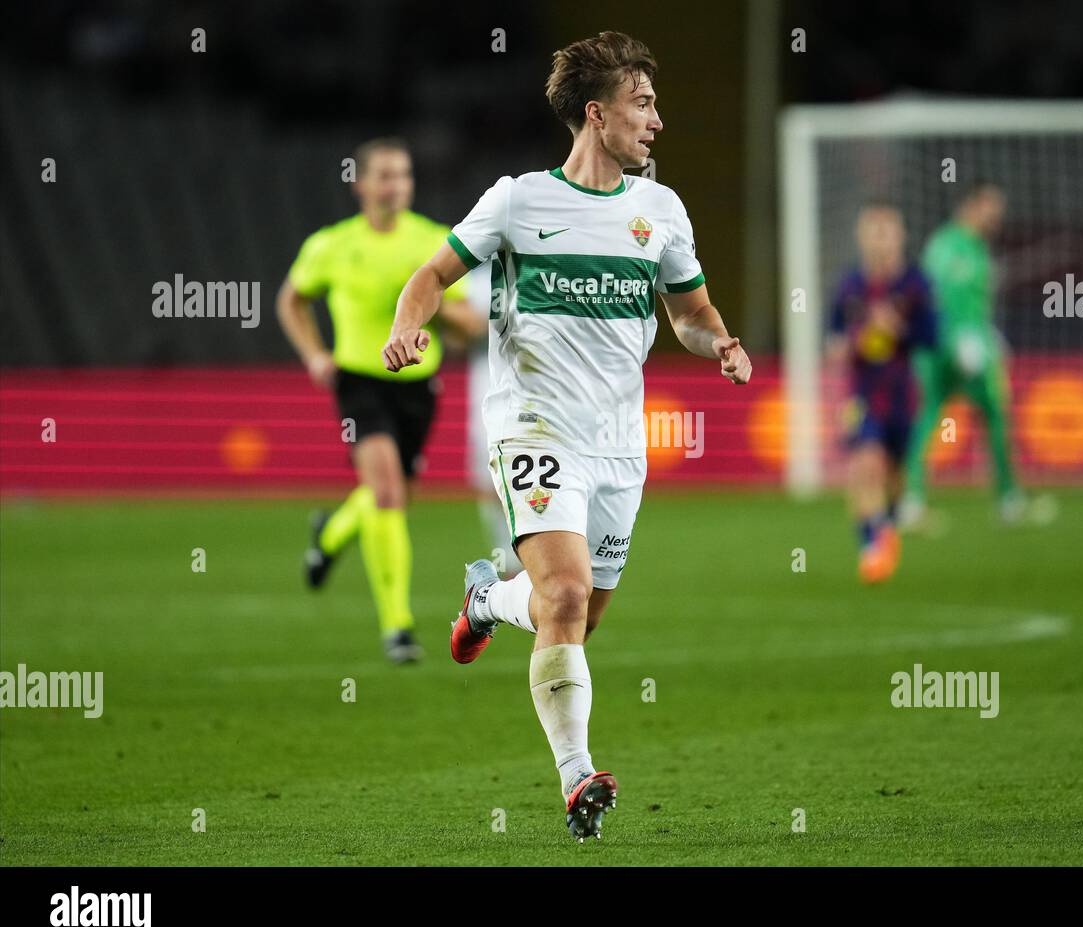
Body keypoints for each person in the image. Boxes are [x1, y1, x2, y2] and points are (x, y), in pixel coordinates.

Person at [382, 32, 751, 842]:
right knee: (566, 595)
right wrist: (408, 328)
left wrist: (719, 342)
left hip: (620, 445)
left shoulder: (660, 212)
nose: (657, 119)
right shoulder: (518, 200)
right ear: (598, 112)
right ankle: (577, 776)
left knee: (576, 620)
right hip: (534, 425)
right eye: (642, 102)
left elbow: (688, 315)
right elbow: (430, 276)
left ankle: (486, 598)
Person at [277, 137, 485, 663]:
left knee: (393, 495)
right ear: (360, 183)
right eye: (386, 176)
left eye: (404, 175)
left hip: (419, 387)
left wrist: (430, 309)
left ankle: (330, 533)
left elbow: (467, 326)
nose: (397, 185)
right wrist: (314, 355)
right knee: (389, 493)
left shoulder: (433, 241)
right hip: (360, 382)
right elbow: (291, 300)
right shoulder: (332, 244)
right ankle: (398, 627)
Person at [903, 182, 1024, 526]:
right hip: (946, 347)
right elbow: (937, 296)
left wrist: (988, 335)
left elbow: (972, 305)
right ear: (971, 205)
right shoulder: (950, 246)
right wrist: (960, 339)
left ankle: (1004, 496)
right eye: (990, 206)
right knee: (957, 414)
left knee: (965, 414)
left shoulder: (973, 247)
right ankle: (1003, 496)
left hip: (966, 344)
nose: (996, 215)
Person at [827, 204, 937, 583]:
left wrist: (897, 330)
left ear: (901, 235)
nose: (880, 237)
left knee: (896, 475)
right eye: (873, 229)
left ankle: (886, 527)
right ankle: (870, 546)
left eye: (887, 229)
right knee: (866, 463)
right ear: (861, 236)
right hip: (861, 395)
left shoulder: (916, 286)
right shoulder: (849, 288)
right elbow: (835, 343)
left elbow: (932, 339)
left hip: (902, 395)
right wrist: (855, 340)